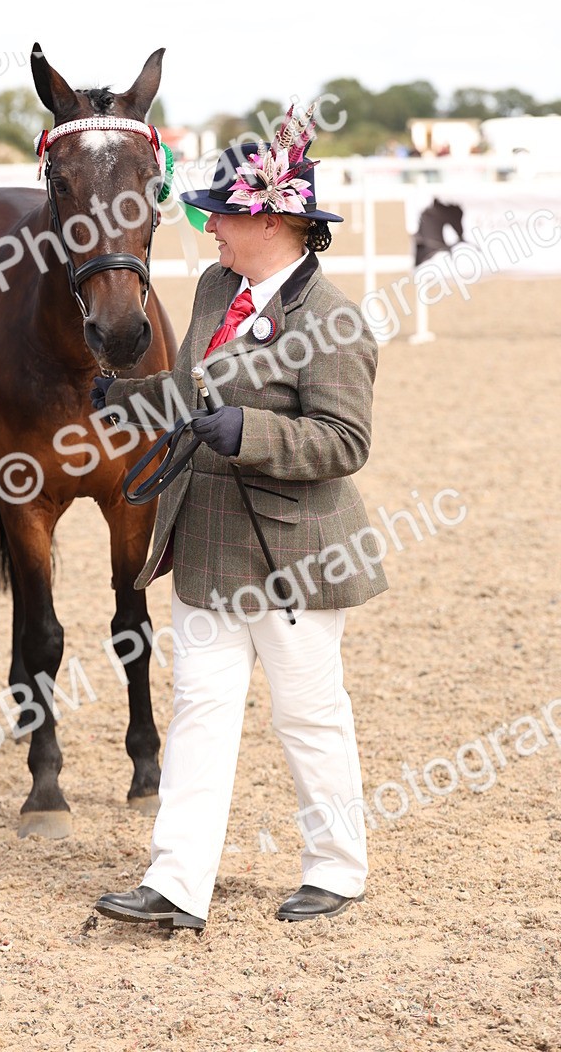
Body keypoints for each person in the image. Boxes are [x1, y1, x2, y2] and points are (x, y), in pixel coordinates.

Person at [91, 105, 388, 931]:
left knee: (308, 714)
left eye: (220, 211)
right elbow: (191, 390)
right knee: (200, 710)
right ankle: (177, 885)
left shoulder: (333, 322)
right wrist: (128, 400)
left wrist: (249, 431)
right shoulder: (215, 286)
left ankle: (337, 867)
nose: (208, 225)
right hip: (209, 542)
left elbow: (345, 441)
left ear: (270, 218)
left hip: (296, 556)